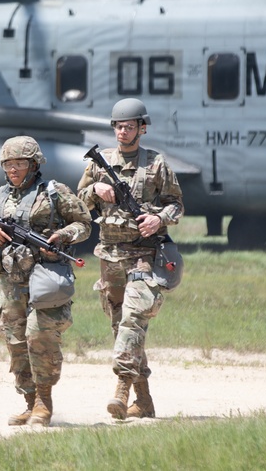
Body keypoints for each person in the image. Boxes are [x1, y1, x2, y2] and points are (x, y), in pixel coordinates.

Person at [77, 98, 183, 420]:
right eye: (118, 126)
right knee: (121, 329)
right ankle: (145, 402)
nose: (123, 131)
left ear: (142, 128)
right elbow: (78, 203)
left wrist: (159, 219)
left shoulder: (156, 164)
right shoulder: (100, 162)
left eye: (129, 126)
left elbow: (176, 204)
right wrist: (96, 188)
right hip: (110, 257)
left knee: (132, 321)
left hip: (144, 257)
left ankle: (121, 392)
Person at [0, 136, 91, 427]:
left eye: (19, 164)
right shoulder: (1, 194)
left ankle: (44, 400)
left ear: (34, 165)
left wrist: (62, 236)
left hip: (45, 277)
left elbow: (84, 224)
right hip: (11, 281)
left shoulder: (54, 193)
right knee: (14, 340)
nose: (13, 170)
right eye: (8, 165)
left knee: (39, 336)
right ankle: (29, 402)